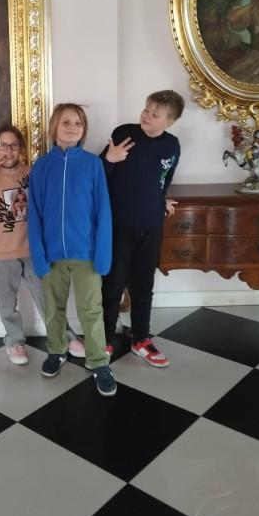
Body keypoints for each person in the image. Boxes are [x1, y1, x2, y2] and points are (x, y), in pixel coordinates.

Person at [0, 125, 85, 366]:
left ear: (21, 149)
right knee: (7, 303)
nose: (9, 150)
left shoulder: (32, 172)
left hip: (34, 250)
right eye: (3, 145)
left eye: (14, 145)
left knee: (48, 298)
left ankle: (65, 335)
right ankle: (14, 340)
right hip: (2, 254)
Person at [28, 104, 116, 397]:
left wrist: (102, 255)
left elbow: (103, 211)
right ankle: (56, 350)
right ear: (54, 127)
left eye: (78, 123)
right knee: (53, 309)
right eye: (66, 122)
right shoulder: (42, 166)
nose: (72, 127)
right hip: (52, 256)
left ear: (84, 129)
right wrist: (39, 256)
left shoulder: (92, 165)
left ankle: (99, 362)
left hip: (86, 255)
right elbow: (35, 214)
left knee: (91, 310)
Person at [101, 90, 184, 367]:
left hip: (151, 225)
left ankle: (141, 339)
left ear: (169, 121)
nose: (146, 115)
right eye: (146, 109)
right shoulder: (124, 133)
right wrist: (108, 160)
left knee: (144, 285)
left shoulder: (172, 145)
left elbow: (164, 179)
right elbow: (99, 175)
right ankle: (105, 338)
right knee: (113, 284)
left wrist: (161, 200)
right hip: (119, 225)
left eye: (155, 114)